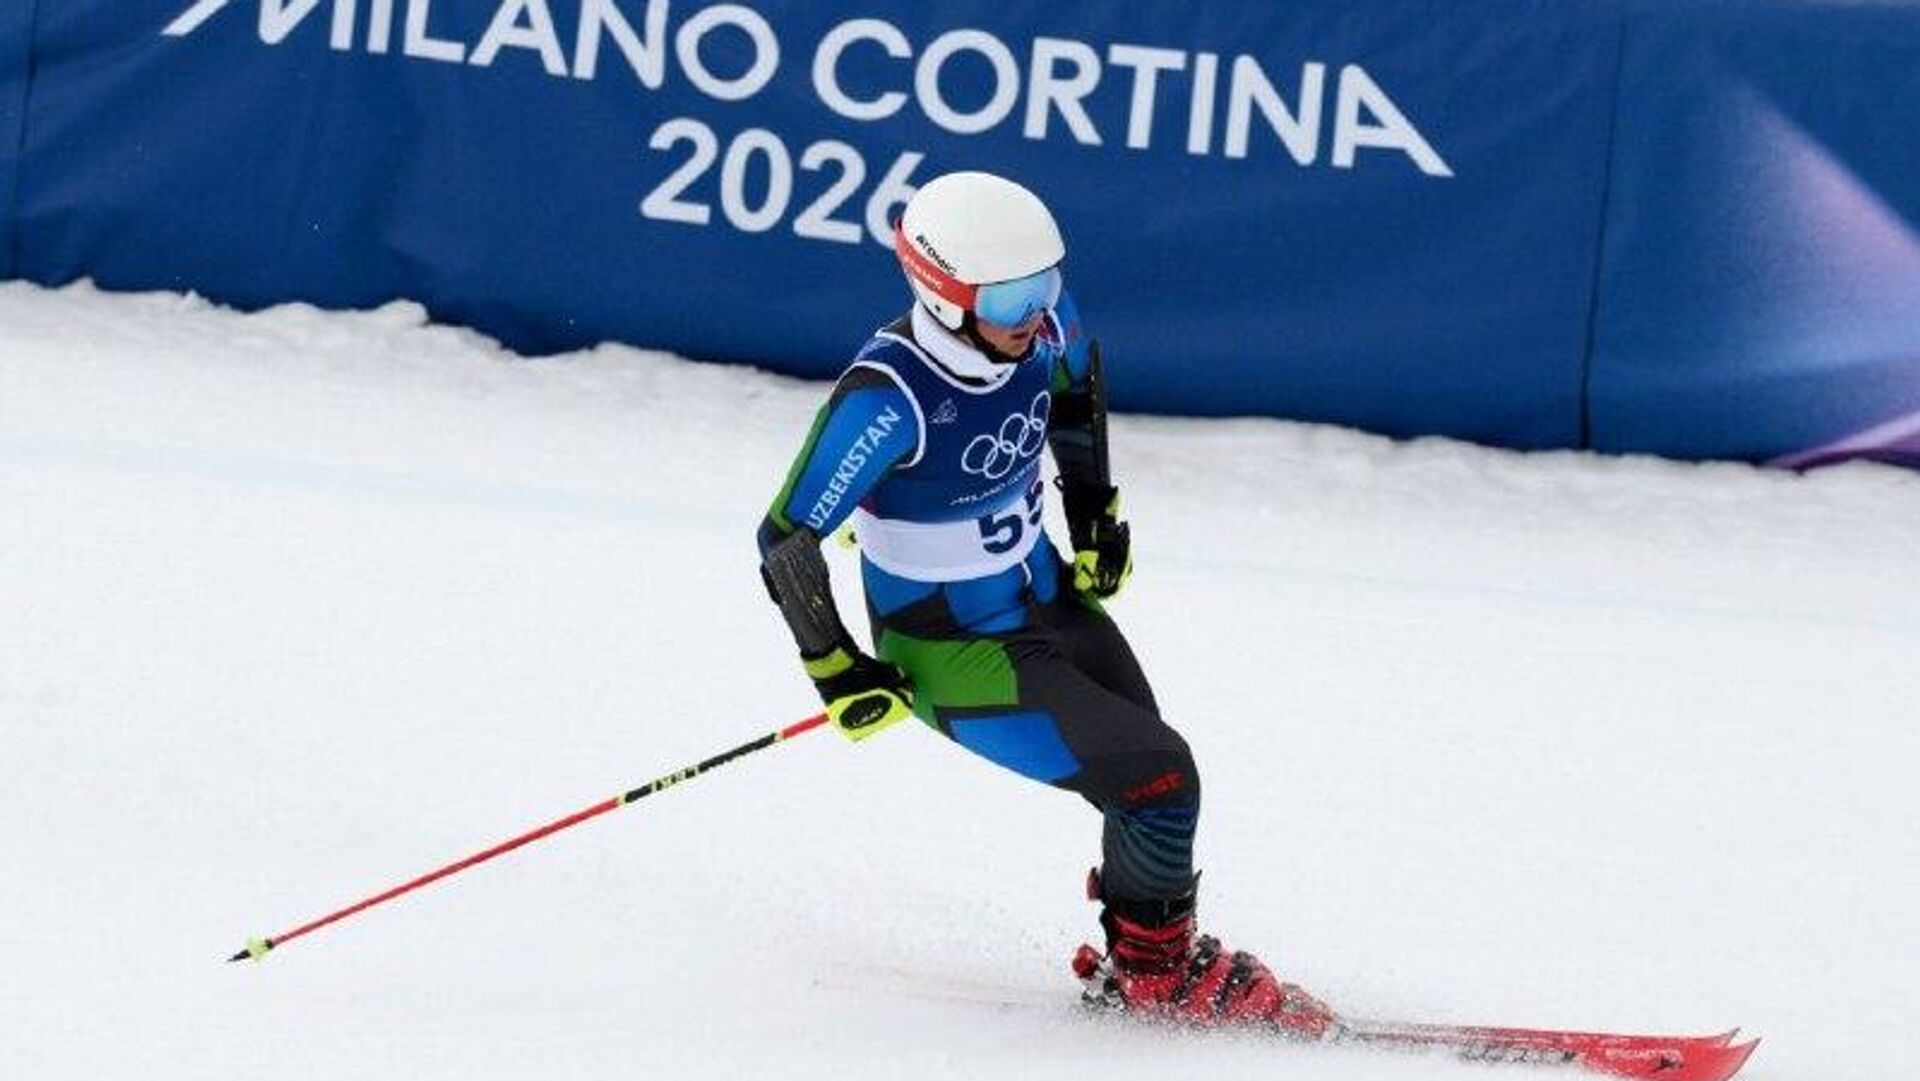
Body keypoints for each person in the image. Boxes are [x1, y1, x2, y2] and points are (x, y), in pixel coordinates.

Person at [755, 171, 1330, 1035]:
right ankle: (1160, 977)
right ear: (944, 297)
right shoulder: (889, 397)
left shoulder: (1042, 327)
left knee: (1146, 778)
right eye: (1012, 297)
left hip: (1044, 596)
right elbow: (785, 536)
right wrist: (835, 666)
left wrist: (1093, 516)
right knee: (1159, 776)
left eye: (1046, 283)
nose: (1037, 313)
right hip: (949, 644)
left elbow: (1070, 395)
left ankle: (1142, 953)